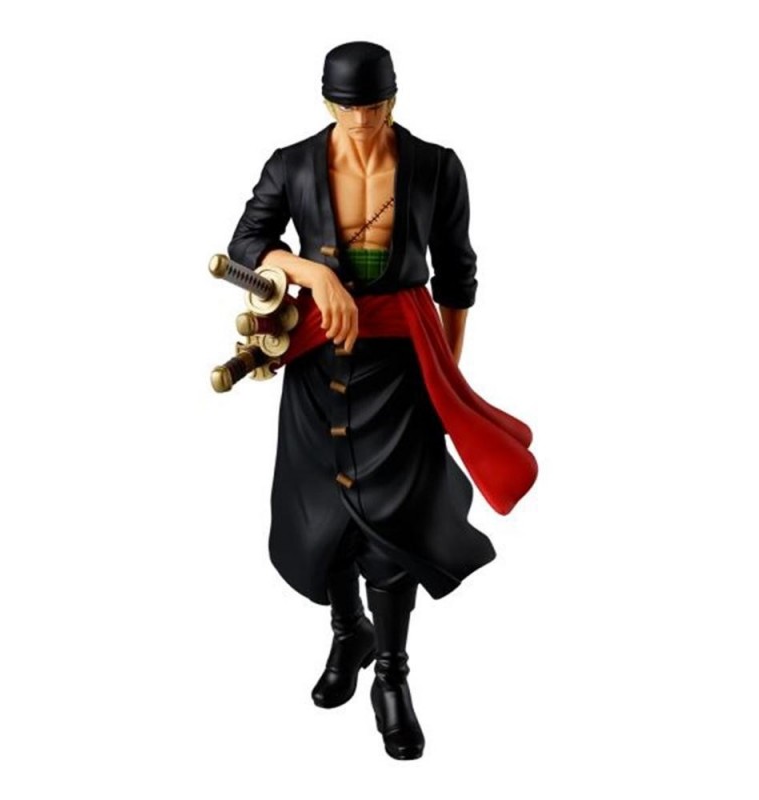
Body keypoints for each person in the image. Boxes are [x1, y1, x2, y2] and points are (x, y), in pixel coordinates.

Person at [228, 41, 537, 760]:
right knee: (321, 515)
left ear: (394, 100)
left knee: (395, 522)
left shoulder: (435, 167)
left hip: (402, 364)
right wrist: (313, 273)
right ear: (326, 102)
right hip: (317, 360)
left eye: (373, 105)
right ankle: (349, 635)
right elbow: (246, 244)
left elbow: (457, 276)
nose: (361, 120)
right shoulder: (292, 164)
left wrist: (443, 374)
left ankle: (392, 676)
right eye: (348, 107)